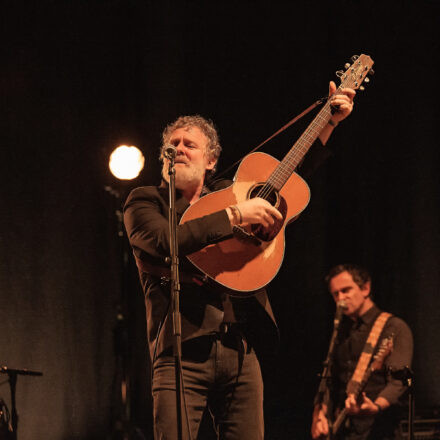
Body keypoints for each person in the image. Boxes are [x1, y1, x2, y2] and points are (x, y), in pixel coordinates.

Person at [123, 81, 355, 440]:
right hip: (180, 352)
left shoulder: (231, 190)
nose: (178, 148)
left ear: (211, 159)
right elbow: (163, 241)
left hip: (240, 349)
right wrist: (235, 215)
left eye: (190, 144)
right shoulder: (146, 201)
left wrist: (329, 122)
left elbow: (291, 177)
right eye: (173, 143)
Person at [311, 264, 413, 440]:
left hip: (379, 430)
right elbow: (329, 380)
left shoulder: (393, 327)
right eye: (335, 294)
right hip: (343, 430)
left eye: (346, 290)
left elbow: (398, 382)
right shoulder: (340, 332)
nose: (340, 299)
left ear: (365, 288)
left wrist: (375, 406)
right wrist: (319, 415)